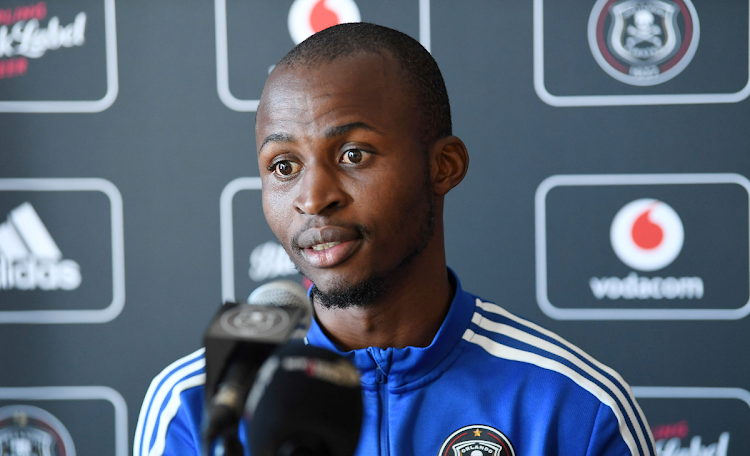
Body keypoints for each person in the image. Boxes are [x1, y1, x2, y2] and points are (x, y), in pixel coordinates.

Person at [133, 23, 656, 456]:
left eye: (353, 154)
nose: (313, 198)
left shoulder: (576, 406)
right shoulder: (199, 403)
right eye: (284, 165)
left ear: (443, 166)